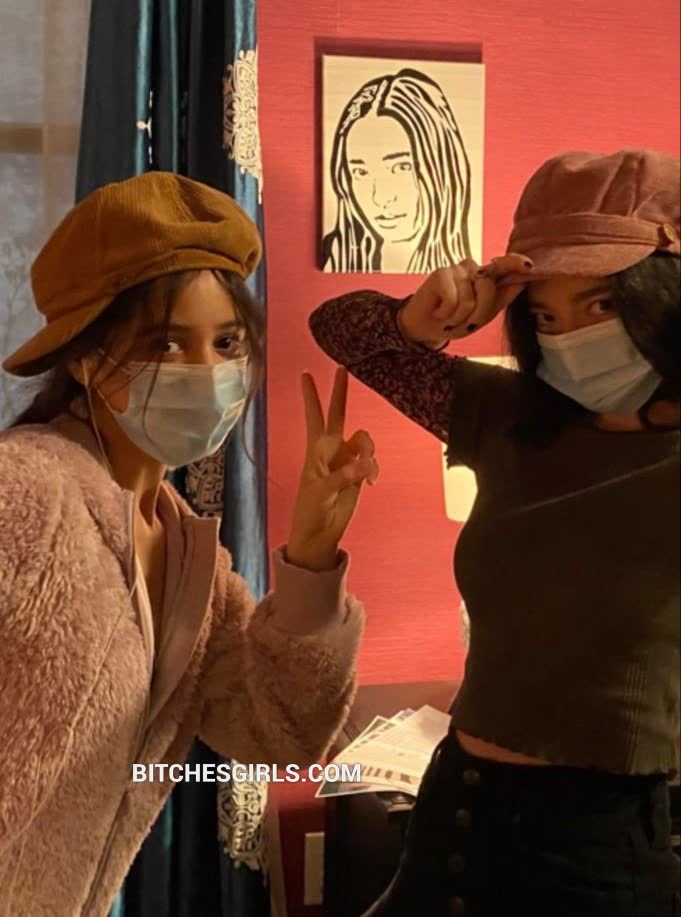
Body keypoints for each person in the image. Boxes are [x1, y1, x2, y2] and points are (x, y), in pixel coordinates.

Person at [310, 149, 681, 916]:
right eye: (545, 314)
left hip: (595, 844)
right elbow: (338, 330)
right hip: (455, 802)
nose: (569, 335)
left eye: (600, 304)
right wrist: (422, 317)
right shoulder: (511, 416)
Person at [0, 172, 379, 917]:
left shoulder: (188, 555)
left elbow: (278, 735)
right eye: (165, 343)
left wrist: (309, 556)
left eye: (227, 342)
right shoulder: (26, 488)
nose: (206, 372)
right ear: (83, 356)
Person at [322, 68, 472, 273]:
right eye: (361, 172)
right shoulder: (334, 255)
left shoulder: (470, 279)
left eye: (401, 167)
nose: (380, 198)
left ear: (439, 166)